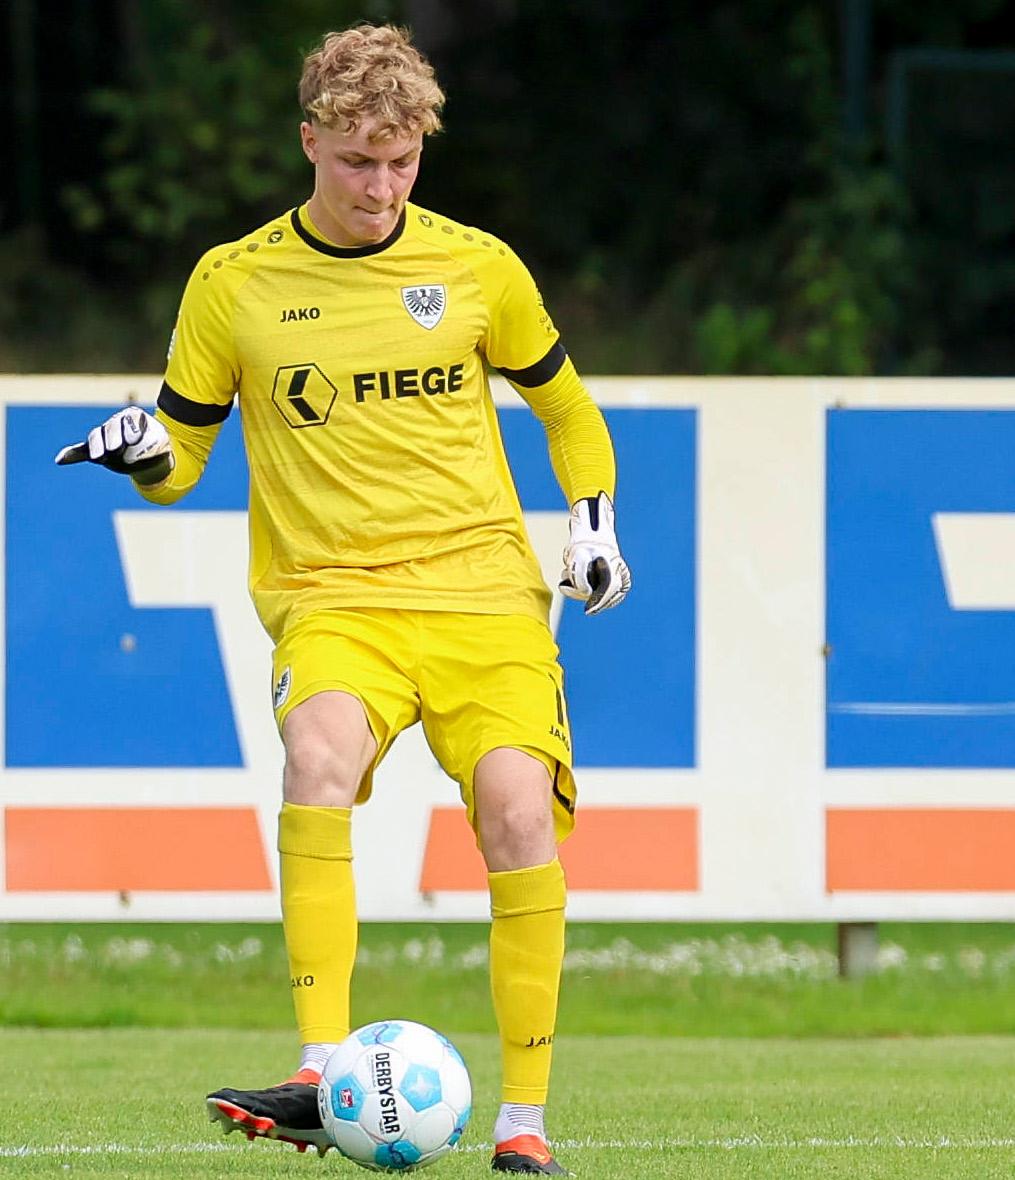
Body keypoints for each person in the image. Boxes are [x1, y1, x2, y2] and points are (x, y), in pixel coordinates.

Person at [56, 23, 629, 1176]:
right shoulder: (235, 282)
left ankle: (524, 1123)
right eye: (358, 158)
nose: (380, 185)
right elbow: (185, 461)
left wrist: (594, 524)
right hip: (331, 598)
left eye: (402, 160)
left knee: (518, 813)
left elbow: (564, 406)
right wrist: (145, 459)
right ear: (309, 141)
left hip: (481, 594)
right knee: (315, 757)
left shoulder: (478, 266)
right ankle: (322, 1067)